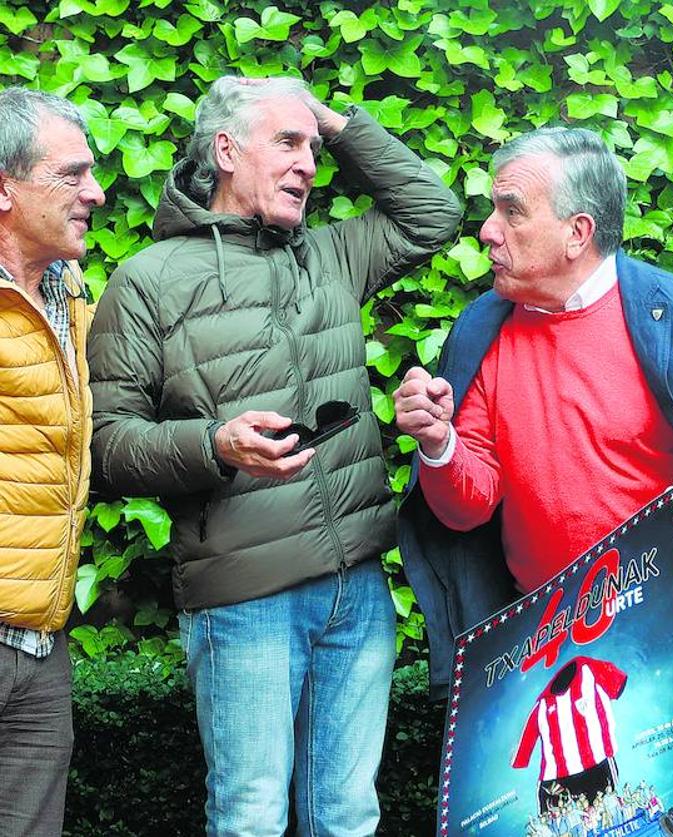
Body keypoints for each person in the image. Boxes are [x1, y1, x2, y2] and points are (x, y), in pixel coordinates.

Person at [394, 126, 673, 835]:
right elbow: (467, 508)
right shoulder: (481, 328)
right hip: (546, 630)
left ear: (577, 231)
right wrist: (438, 444)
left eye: (510, 210)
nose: (488, 231)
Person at [87, 76, 462, 835]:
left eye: (315, 149)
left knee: (347, 814)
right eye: (287, 143)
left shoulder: (330, 256)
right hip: (244, 602)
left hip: (356, 590)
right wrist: (211, 444)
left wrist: (330, 118)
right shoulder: (146, 282)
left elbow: (435, 214)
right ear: (225, 151)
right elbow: (107, 445)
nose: (310, 164)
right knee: (251, 817)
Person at [0, 86, 105, 837]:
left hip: (42, 644)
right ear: (5, 186)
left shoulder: (71, 293)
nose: (94, 192)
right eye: (70, 175)